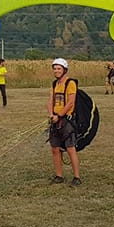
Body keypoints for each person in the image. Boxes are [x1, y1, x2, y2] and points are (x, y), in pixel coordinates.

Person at [47, 58, 81, 186]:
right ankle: (59, 175)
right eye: (55, 69)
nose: (56, 71)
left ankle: (77, 177)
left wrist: (60, 115)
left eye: (59, 69)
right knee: (55, 148)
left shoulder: (70, 83)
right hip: (55, 119)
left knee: (70, 148)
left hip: (67, 120)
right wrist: (51, 114)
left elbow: (71, 102)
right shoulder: (55, 84)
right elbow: (50, 100)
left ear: (64, 70)